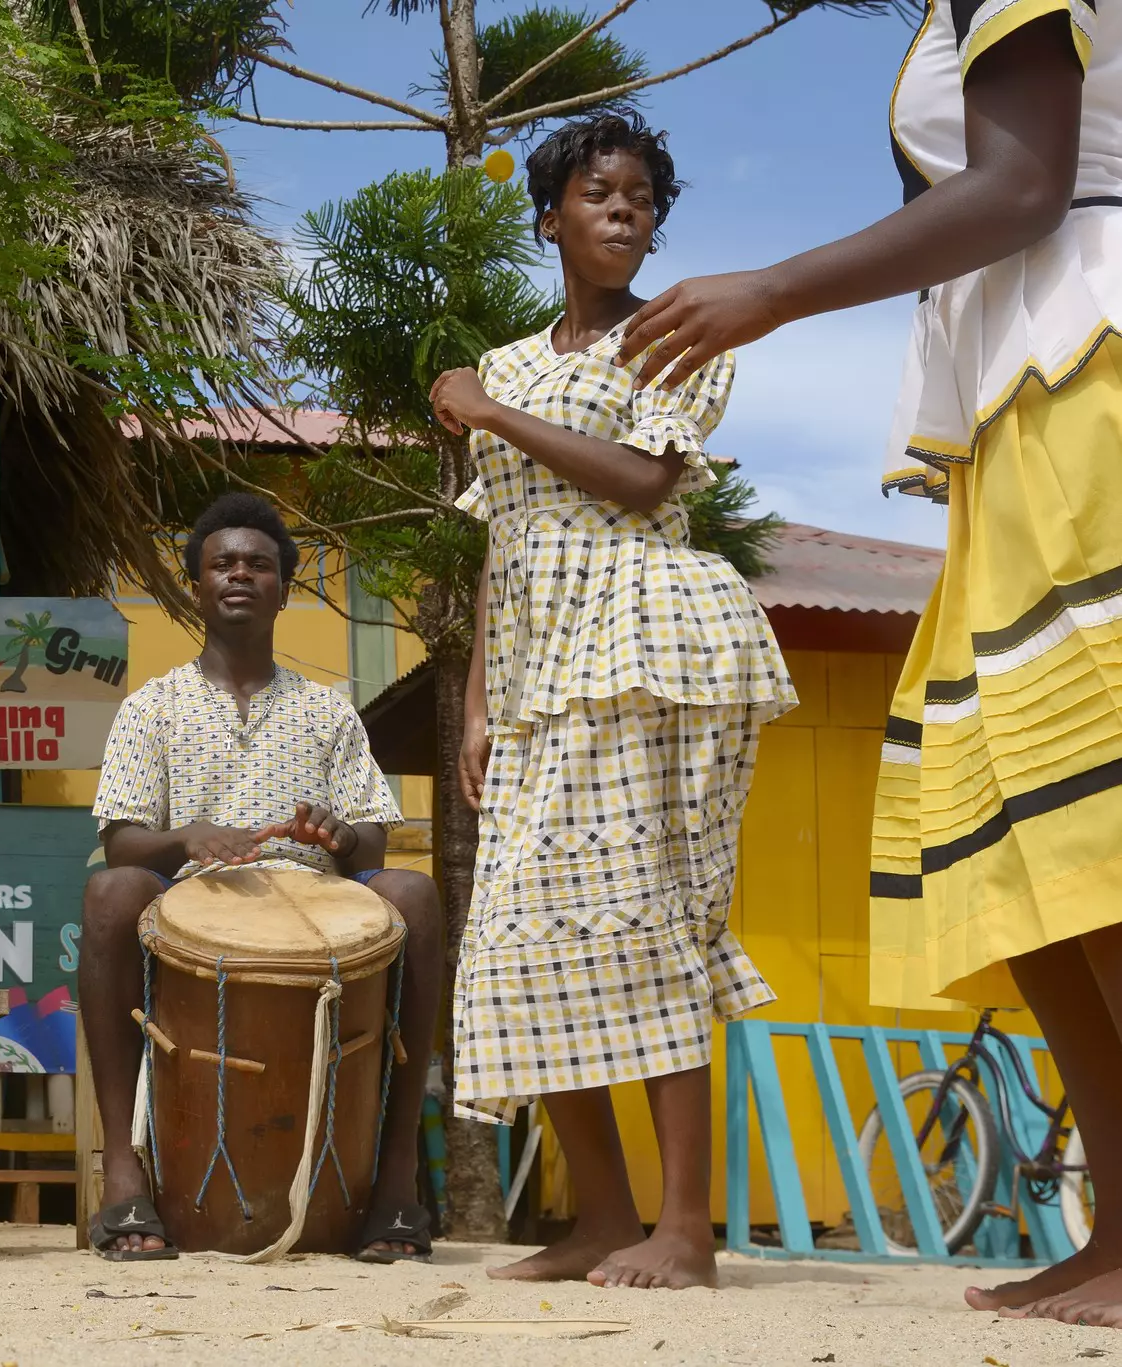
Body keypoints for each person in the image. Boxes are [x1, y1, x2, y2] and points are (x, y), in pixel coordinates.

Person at [615, 2, 1119, 1328]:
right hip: (1024, 397)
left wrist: (773, 289)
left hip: (1087, 372)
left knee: (1097, 821)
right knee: (1025, 835)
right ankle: (1117, 1223)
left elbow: (1021, 181)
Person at [428, 114, 795, 1290]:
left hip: (653, 643)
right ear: (552, 216)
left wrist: (484, 411)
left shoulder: (678, 338)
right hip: (542, 663)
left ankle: (684, 1228)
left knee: (648, 919)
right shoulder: (514, 359)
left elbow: (644, 483)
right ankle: (598, 1216)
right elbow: (506, 548)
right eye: (599, 191)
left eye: (643, 195)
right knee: (520, 935)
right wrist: (478, 705)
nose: (625, 208)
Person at [79, 492, 443, 1262]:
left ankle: (398, 1177)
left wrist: (337, 835)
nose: (239, 574)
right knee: (111, 893)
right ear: (196, 584)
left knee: (411, 889)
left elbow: (370, 838)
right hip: (191, 915)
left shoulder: (328, 711)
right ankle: (121, 1169)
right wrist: (186, 837)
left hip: (323, 914)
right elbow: (122, 844)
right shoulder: (153, 708)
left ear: (282, 586)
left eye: (259, 564)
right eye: (223, 563)